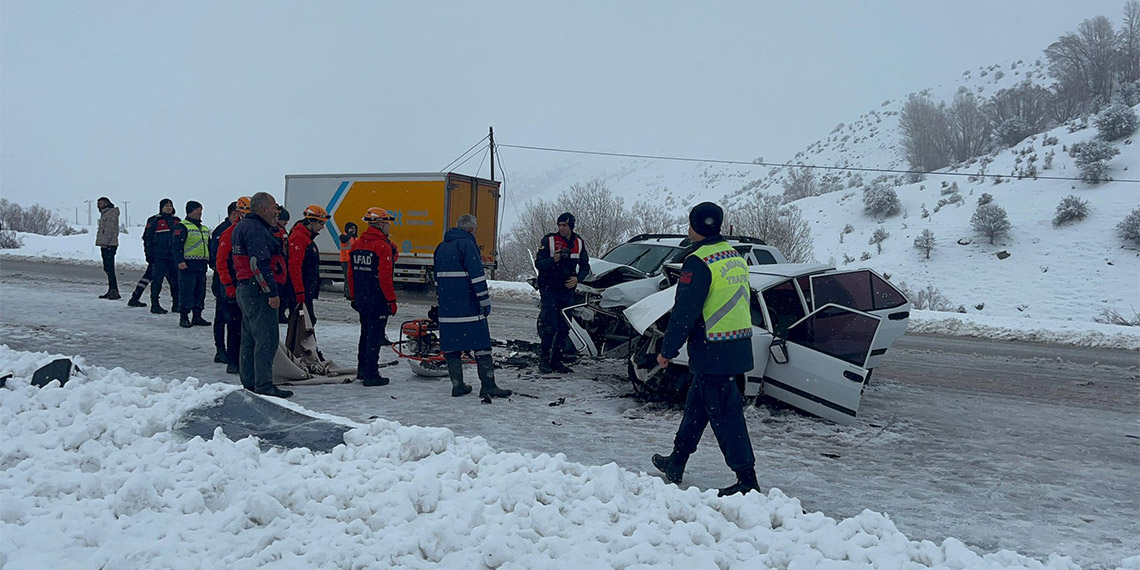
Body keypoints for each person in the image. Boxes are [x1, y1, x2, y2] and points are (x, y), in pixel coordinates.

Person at [651, 202, 760, 497]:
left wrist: (667, 351)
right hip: (734, 344)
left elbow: (684, 312)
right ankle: (677, 461)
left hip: (714, 349)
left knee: (726, 415)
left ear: (695, 227)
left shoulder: (698, 262)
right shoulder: (734, 256)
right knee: (697, 407)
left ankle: (746, 479)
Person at [433, 214, 512, 398]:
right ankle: (488, 385)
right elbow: (477, 277)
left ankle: (457, 385)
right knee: (482, 346)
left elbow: (436, 279)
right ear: (470, 230)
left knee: (452, 348)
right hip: (469, 308)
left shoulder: (441, 247)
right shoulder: (467, 245)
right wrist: (484, 301)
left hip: (447, 309)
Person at [232, 192, 292, 399]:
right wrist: (271, 292)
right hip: (257, 290)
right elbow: (258, 264)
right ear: (263, 209)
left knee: (249, 338)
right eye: (274, 206)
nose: (277, 210)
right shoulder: (256, 229)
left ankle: (249, 381)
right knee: (266, 339)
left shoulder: (243, 226)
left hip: (246, 288)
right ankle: (264, 384)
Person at [347, 207, 398, 387]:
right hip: (378, 299)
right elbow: (385, 278)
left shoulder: (357, 245)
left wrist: (354, 296)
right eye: (387, 224)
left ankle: (362, 369)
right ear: (381, 224)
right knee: (374, 337)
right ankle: (371, 374)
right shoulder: (383, 247)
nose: (389, 228)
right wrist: (391, 301)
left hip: (362, 298)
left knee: (365, 334)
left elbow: (351, 274)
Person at [534, 212, 590, 374]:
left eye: (564, 225)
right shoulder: (549, 240)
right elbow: (539, 263)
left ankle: (557, 360)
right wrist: (554, 260)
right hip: (549, 288)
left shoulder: (578, 242)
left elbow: (585, 266)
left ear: (571, 226)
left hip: (567, 290)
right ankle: (544, 360)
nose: (561, 228)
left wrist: (577, 279)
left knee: (564, 327)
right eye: (559, 225)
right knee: (550, 326)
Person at [215, 196, 250, 375]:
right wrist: (228, 285)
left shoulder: (252, 231)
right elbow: (221, 262)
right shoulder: (229, 233)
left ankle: (244, 360)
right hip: (233, 285)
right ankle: (233, 360)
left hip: (247, 284)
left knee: (247, 325)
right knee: (234, 324)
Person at [209, 200, 241, 369]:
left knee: (234, 319)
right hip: (223, 280)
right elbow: (217, 259)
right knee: (223, 317)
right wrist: (226, 282)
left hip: (233, 279)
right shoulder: (223, 231)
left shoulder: (240, 230)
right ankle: (221, 349)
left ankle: (232, 352)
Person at [172, 201, 211, 328]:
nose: (200, 212)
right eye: (197, 209)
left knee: (200, 292)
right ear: (190, 211)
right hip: (187, 265)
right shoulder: (182, 226)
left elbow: (208, 247)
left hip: (201, 264)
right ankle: (184, 316)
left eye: (201, 209)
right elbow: (176, 246)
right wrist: (180, 261)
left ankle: (197, 316)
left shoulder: (204, 229)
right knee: (186, 291)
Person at [288, 205, 330, 323]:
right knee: (303, 322)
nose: (322, 228)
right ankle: (297, 342)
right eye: (321, 224)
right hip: (302, 290)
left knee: (306, 321)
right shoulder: (300, 238)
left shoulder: (305, 237)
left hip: (305, 289)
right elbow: (294, 267)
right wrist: (299, 291)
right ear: (312, 222)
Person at [142, 198, 181, 314]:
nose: (169, 208)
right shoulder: (154, 220)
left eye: (170, 205)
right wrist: (149, 254)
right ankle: (155, 304)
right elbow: (147, 238)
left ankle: (176, 304)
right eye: (166, 206)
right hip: (159, 257)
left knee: (175, 282)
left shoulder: (177, 221)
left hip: (172, 257)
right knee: (157, 281)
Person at [94, 197, 121, 300]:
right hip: (107, 244)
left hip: (109, 245)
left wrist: (105, 243)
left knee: (109, 268)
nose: (98, 206)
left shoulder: (110, 214)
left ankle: (114, 291)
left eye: (100, 203)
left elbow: (109, 230)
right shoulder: (105, 214)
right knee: (107, 268)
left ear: (106, 203)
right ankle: (112, 290)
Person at [276, 208, 294, 323]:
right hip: (280, 264)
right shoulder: (279, 231)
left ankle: (281, 313)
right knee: (281, 293)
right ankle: (280, 314)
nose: (286, 223)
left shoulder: (282, 230)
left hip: (283, 263)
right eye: (284, 220)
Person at [339, 222, 358, 298]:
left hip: (353, 260)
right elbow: (344, 240)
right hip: (345, 260)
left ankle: (351, 293)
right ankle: (347, 294)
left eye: (354, 229)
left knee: (352, 278)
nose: (353, 230)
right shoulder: (343, 236)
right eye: (351, 228)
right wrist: (350, 234)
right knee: (348, 277)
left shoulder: (355, 238)